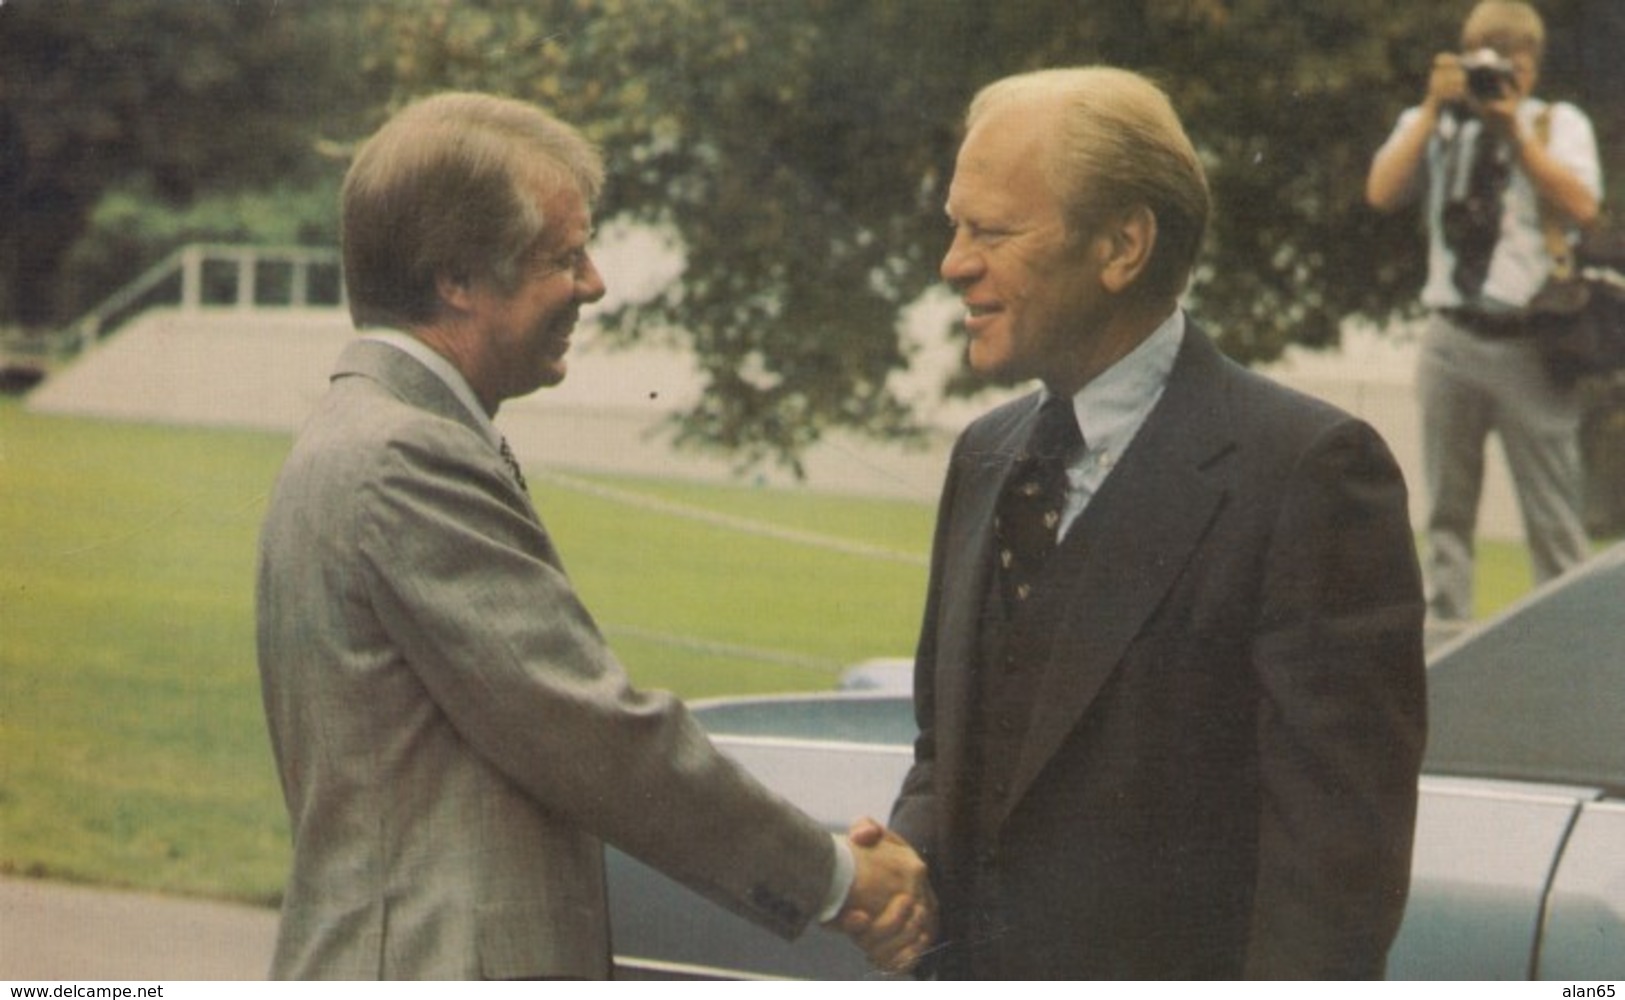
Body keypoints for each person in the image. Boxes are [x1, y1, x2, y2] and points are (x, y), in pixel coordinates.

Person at [255, 92, 933, 980]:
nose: (595, 282)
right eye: (562, 257)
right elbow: (591, 735)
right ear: (456, 278)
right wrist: (837, 876)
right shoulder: (405, 456)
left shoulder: (363, 433)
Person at [861, 67, 1427, 978]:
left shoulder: (1307, 474)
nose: (953, 262)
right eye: (954, 228)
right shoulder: (984, 456)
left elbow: (1331, 883)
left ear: (1122, 244)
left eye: (992, 231)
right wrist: (908, 864)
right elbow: (949, 751)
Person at [1366, 1, 1602, 622]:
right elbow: (1383, 190)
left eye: (1513, 64)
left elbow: (1583, 205)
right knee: (1446, 511)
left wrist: (1515, 132)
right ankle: (1446, 634)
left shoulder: (1556, 123)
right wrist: (1429, 109)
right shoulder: (1436, 124)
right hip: (1451, 338)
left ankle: (1571, 640)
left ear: (1533, 66)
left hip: (1530, 342)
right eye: (1486, 62)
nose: (1498, 77)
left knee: (1554, 517)